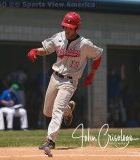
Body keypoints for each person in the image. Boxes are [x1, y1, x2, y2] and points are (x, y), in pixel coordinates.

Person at [27, 12, 103, 149]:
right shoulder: (59, 37)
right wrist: (35, 51)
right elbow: (46, 49)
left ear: (77, 27)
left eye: (70, 27)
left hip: (70, 81)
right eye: (65, 26)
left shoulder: (85, 44)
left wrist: (91, 75)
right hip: (55, 77)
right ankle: (68, 110)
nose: (67, 29)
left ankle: (50, 140)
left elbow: (98, 56)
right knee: (47, 111)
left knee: (57, 109)